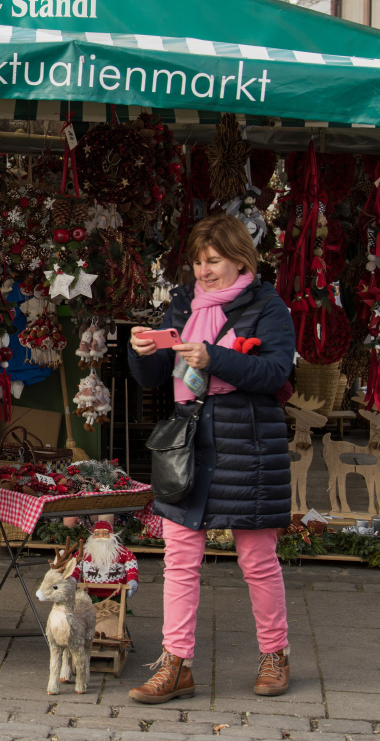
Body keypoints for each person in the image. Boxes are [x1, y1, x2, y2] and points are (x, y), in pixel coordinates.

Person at [127, 213, 295, 704]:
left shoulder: (267, 305)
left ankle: (275, 655)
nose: (203, 271)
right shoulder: (181, 303)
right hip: (190, 444)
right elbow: (155, 376)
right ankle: (175, 664)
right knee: (180, 559)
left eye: (214, 261)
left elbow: (275, 370)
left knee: (258, 559)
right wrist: (143, 351)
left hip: (250, 446)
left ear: (239, 259)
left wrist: (213, 357)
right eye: (198, 262)